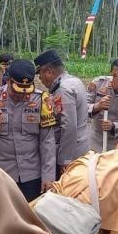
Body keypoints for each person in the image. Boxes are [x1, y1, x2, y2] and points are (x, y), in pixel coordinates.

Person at [0, 59, 57, 201]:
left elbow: (47, 141)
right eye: (17, 91)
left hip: (32, 176)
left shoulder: (41, 100)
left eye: (26, 91)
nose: (22, 95)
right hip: (2, 174)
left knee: (31, 217)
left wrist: (48, 176)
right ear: (9, 81)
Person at [35, 49, 90, 179]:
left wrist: (64, 160)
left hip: (71, 153)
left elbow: (69, 127)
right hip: (80, 147)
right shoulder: (74, 81)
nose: (40, 79)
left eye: (40, 74)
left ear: (49, 71)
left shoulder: (62, 90)